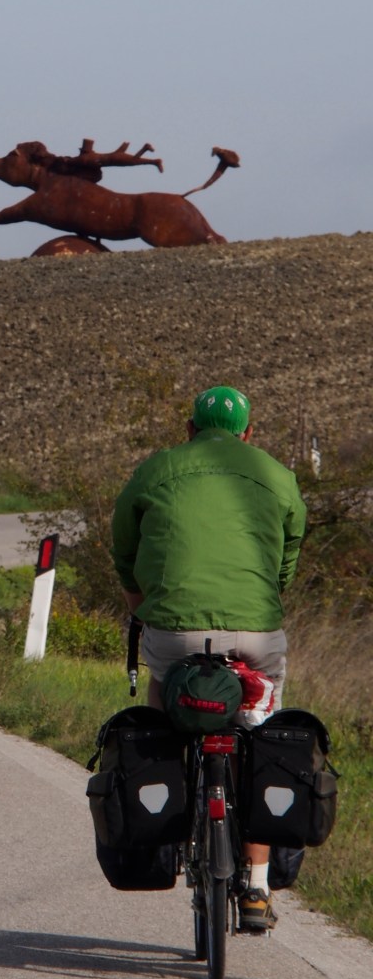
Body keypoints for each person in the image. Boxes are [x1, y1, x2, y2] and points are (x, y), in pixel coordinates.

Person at [111, 385, 307, 929]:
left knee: (159, 699)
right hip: (255, 634)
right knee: (261, 736)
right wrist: (267, 595)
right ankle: (259, 887)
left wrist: (140, 602)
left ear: (190, 429)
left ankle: (163, 794)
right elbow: (289, 551)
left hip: (174, 631)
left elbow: (123, 546)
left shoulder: (156, 469)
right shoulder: (275, 474)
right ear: (249, 433)